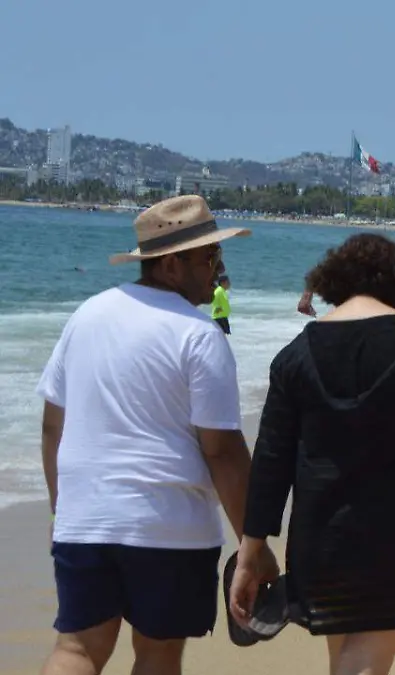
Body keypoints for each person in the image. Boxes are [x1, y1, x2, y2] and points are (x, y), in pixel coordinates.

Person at [37, 195, 274, 675]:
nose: (219, 268)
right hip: (169, 528)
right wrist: (254, 544)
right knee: (158, 655)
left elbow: (52, 425)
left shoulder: (87, 315)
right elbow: (223, 452)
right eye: (210, 257)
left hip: (86, 524)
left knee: (76, 652)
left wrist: (63, 510)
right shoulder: (198, 334)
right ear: (170, 265)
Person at [229, 232, 395, 675]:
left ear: (334, 284)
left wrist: (250, 554)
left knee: (346, 659)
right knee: (363, 666)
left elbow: (271, 466)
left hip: (321, 540)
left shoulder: (294, 357)